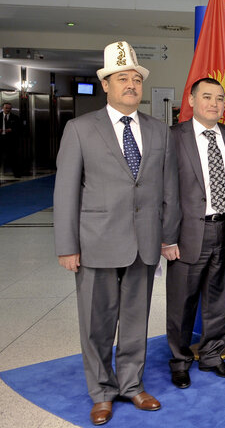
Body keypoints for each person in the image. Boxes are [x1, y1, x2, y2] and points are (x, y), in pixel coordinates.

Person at [53, 41, 180, 425]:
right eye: (121, 78)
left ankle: (131, 385)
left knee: (136, 319)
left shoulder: (160, 131)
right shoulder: (80, 129)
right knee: (96, 323)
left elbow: (169, 190)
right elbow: (66, 191)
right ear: (105, 85)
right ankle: (102, 392)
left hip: (144, 242)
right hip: (96, 242)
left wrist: (167, 235)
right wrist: (66, 245)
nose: (130, 85)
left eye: (135, 79)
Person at [165, 77, 225, 389]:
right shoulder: (173, 137)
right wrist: (167, 237)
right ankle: (180, 361)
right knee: (181, 303)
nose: (214, 104)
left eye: (220, 98)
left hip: (224, 228)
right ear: (191, 100)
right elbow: (165, 191)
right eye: (207, 97)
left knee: (218, 298)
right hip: (186, 233)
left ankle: (212, 355)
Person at [0, 101, 22, 177]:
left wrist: (11, 130)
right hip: (0, 140)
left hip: (11, 141)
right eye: (6, 108)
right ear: (2, 108)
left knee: (13, 158)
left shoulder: (15, 117)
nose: (8, 110)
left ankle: (17, 173)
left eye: (9, 108)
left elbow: (20, 128)